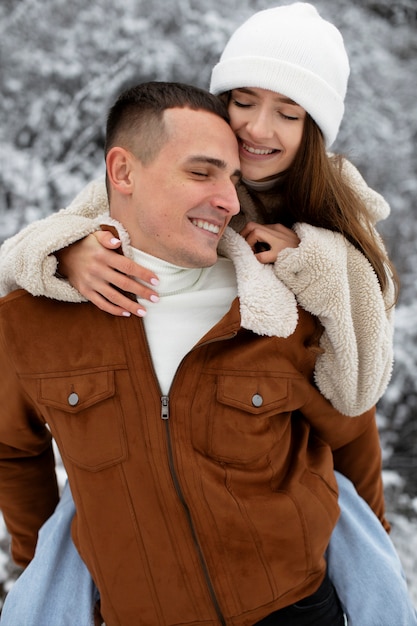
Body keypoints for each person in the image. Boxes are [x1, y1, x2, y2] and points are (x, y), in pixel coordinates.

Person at [0, 4, 416, 625]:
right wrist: (65, 253)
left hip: (292, 604)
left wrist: (311, 257)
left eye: (288, 111)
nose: (257, 127)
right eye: (244, 100)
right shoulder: (53, 304)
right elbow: (75, 220)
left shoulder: (307, 261)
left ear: (315, 129)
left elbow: (355, 407)